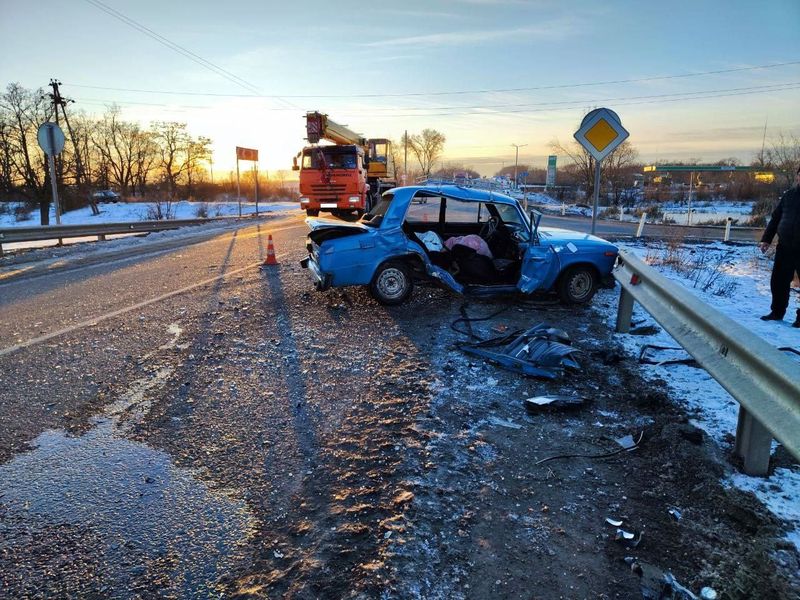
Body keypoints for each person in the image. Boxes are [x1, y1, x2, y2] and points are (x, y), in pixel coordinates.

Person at [759, 166, 800, 327]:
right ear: (797, 177)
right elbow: (776, 219)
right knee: (778, 281)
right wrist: (766, 239)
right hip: (785, 246)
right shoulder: (789, 196)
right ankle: (777, 311)